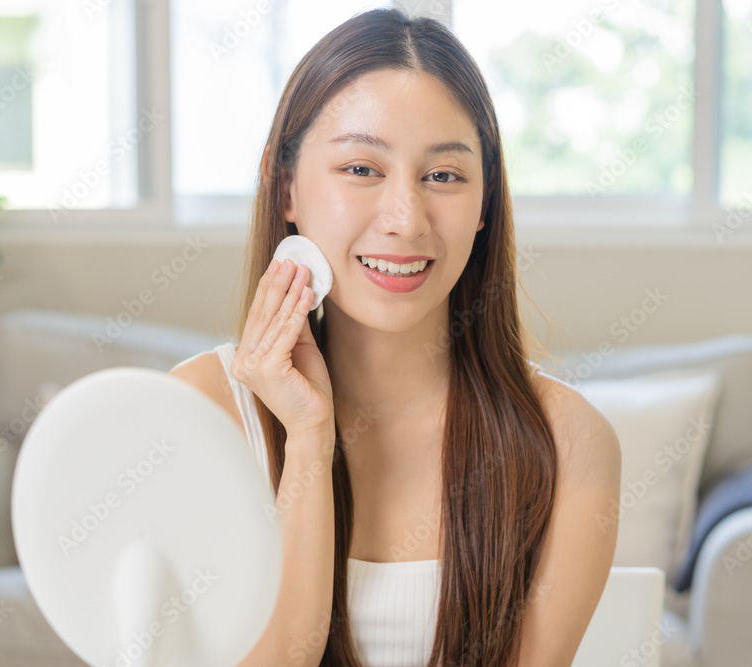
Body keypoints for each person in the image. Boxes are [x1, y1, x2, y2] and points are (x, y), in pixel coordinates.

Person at [169, 7, 621, 667]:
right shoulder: (201, 412)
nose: (405, 220)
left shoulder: (570, 442)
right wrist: (308, 441)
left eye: (443, 175)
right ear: (285, 183)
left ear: (485, 202)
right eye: (361, 169)